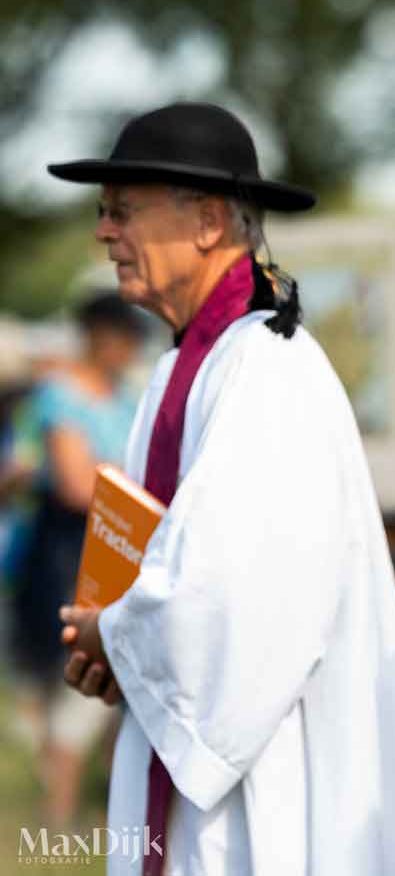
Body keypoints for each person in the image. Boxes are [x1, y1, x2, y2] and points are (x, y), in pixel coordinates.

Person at [47, 102, 395, 875]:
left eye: (123, 211)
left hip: (268, 766)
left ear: (208, 221)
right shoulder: (182, 368)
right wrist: (119, 653)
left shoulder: (267, 369)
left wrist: (120, 637)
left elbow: (233, 594)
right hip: (209, 745)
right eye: (104, 213)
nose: (104, 232)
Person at [8, 292, 145, 824]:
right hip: (66, 558)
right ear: (98, 335)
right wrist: (120, 483)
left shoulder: (125, 398)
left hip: (113, 554)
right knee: (75, 680)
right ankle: (58, 819)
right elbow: (74, 484)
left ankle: (90, 809)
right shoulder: (59, 397)